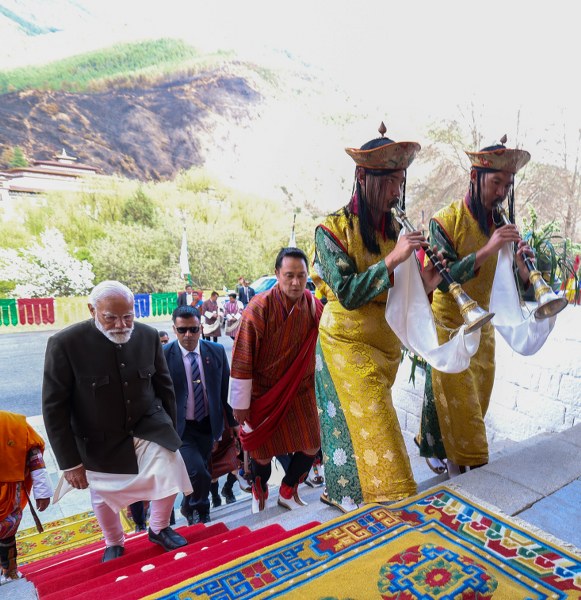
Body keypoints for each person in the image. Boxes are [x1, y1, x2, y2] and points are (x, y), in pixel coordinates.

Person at [311, 123, 443, 512]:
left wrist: (430, 279)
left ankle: (351, 507)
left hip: (384, 351)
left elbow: (405, 294)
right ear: (363, 178)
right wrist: (397, 256)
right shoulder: (330, 229)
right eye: (388, 183)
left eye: (400, 183)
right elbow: (349, 293)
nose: (395, 193)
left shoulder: (394, 231)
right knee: (386, 451)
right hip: (346, 348)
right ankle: (392, 515)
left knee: (363, 441)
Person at [42, 280, 191, 562]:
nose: (121, 325)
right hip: (96, 437)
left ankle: (159, 527)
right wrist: (70, 463)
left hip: (147, 425)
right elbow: (54, 407)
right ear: (92, 310)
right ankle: (113, 542)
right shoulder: (64, 344)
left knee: (171, 464)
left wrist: (170, 431)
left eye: (128, 317)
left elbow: (164, 387)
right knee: (102, 491)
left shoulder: (147, 336)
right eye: (111, 318)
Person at [416, 137, 533, 476]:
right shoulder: (445, 221)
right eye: (496, 182)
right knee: (466, 425)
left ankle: (459, 487)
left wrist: (526, 271)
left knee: (473, 411)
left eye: (507, 185)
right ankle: (464, 489)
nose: (502, 192)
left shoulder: (501, 226)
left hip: (484, 327)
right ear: (475, 177)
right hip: (450, 327)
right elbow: (440, 274)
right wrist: (487, 249)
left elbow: (510, 280)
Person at [230, 247, 323, 513]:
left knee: (312, 442)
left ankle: (288, 489)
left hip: (300, 388)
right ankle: (259, 490)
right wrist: (239, 402)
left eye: (301, 276)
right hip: (264, 390)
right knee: (262, 451)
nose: (295, 282)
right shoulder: (258, 308)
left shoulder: (313, 305)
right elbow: (242, 356)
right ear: (277, 275)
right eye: (289, 275)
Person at [163, 306, 233, 525]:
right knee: (198, 472)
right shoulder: (164, 356)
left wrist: (233, 424)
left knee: (203, 468)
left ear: (201, 328)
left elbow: (224, 390)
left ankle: (188, 507)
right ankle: (200, 509)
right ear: (174, 330)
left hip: (208, 424)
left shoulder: (216, 351)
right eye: (182, 330)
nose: (188, 335)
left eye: (193, 329)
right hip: (181, 428)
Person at [0, 411, 52, 584]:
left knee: (6, 533)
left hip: (7, 495)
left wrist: (42, 491)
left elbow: (34, 457)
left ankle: (9, 570)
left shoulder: (12, 423)